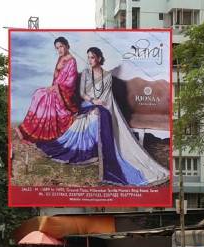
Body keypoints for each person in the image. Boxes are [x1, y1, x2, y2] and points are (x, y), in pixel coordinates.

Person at [36, 47, 169, 186]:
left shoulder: (107, 76)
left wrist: (99, 105)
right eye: (88, 57)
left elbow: (107, 97)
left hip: (103, 105)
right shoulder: (86, 74)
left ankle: (98, 151)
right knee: (95, 116)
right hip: (88, 104)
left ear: (99, 58)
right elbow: (82, 93)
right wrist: (93, 102)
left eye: (92, 57)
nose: (90, 60)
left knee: (102, 115)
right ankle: (89, 150)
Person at [17, 37, 79, 143]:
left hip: (65, 92)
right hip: (56, 88)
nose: (59, 50)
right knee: (38, 93)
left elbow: (71, 81)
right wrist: (53, 87)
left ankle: (36, 130)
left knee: (43, 95)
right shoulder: (60, 58)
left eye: (61, 46)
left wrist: (56, 88)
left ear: (67, 46)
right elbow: (56, 78)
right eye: (57, 48)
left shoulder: (72, 61)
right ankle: (28, 127)